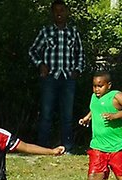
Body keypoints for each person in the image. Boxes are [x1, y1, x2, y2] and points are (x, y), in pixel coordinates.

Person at [28, 0, 86, 153]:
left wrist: (77, 70)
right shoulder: (46, 31)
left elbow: (80, 53)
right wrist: (40, 64)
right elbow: (33, 50)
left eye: (62, 10)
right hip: (50, 78)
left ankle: (67, 147)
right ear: (52, 13)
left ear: (66, 12)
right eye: (56, 11)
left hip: (68, 78)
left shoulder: (73, 32)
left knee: (67, 114)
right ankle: (43, 147)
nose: (59, 13)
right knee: (46, 114)